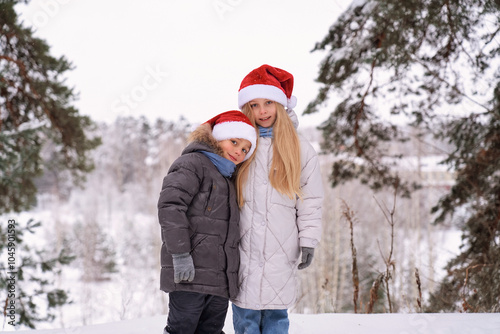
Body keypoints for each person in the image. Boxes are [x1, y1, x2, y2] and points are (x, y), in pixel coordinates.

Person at [231, 65, 324, 334]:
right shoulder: (241, 145)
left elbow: (310, 199)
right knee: (245, 317)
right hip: (243, 246)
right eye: (255, 104)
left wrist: (308, 240)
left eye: (268, 102)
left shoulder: (300, 148)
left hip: (281, 248)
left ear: (280, 104)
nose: (262, 111)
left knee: (275, 318)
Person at [158, 110, 257, 334]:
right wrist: (180, 254)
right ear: (216, 138)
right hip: (189, 274)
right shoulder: (192, 163)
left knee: (211, 330)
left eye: (245, 149)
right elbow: (171, 206)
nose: (239, 152)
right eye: (234, 142)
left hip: (219, 280)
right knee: (182, 329)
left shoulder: (229, 178)